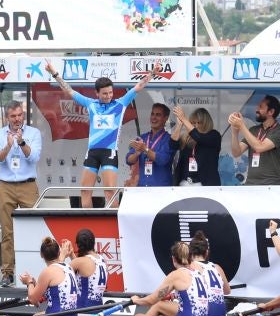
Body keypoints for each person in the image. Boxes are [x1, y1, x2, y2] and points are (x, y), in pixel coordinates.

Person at [44, 60, 160, 207]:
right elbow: (69, 91)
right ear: (97, 93)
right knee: (85, 191)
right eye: (104, 93)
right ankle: (89, 225)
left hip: (109, 153)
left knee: (110, 192)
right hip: (92, 152)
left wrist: (152, 73)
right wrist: (54, 74)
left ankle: (115, 227)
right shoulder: (91, 104)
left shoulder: (120, 104)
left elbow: (139, 86)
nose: (108, 96)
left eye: (110, 92)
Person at [0, 100, 42, 287]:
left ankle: (36, 268)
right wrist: (7, 146)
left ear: (24, 115)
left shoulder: (33, 133)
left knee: (33, 228)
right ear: (7, 117)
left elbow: (34, 157)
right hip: (5, 185)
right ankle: (7, 273)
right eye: (13, 116)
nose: (17, 119)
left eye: (20, 115)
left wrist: (20, 142)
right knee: (7, 231)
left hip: (28, 185)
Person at [121, 241, 210, 316]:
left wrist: (136, 300)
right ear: (191, 257)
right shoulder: (198, 272)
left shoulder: (176, 275)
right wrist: (173, 295)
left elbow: (152, 300)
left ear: (173, 259)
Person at [18, 237, 79, 316]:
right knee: (36, 315)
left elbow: (33, 299)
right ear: (59, 253)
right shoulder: (68, 266)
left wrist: (29, 282)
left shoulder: (47, 272)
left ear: (41, 255)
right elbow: (55, 293)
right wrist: (36, 285)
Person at [229, 95, 280, 185]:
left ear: (271, 112)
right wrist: (234, 132)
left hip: (270, 185)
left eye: (260, 107)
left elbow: (260, 147)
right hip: (250, 184)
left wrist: (241, 126)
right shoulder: (253, 130)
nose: (256, 109)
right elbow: (236, 152)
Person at [125, 103, 175, 187]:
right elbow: (128, 160)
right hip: (143, 187)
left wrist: (145, 149)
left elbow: (163, 160)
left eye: (158, 115)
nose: (154, 117)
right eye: (152, 114)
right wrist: (136, 154)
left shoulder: (169, 139)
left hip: (162, 189)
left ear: (165, 118)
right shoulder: (142, 138)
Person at [171, 106, 221, 186]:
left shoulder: (214, 135)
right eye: (193, 123)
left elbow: (199, 137)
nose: (196, 126)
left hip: (205, 185)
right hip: (185, 183)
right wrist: (179, 125)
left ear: (206, 123)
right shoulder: (186, 137)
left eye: (199, 123)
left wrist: (184, 119)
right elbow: (172, 145)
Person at [68, 228, 108, 309]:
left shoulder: (80, 261)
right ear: (94, 242)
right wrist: (72, 254)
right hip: (98, 308)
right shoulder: (103, 260)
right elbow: (84, 269)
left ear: (78, 245)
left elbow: (58, 274)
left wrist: (63, 254)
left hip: (81, 309)